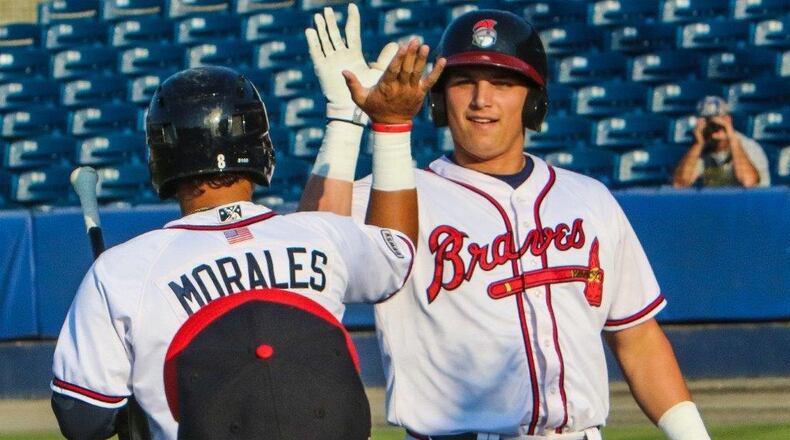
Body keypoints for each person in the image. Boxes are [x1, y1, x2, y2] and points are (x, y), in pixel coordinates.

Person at [301, 6, 711, 440]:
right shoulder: (398, 195)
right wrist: (346, 122)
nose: (482, 100)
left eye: (503, 83)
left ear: (533, 99)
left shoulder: (588, 198)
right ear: (439, 98)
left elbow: (638, 340)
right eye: (463, 83)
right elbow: (307, 258)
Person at [50, 66, 418, 440]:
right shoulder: (321, 235)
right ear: (261, 146)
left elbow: (83, 419)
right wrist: (392, 126)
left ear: (162, 155)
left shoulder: (122, 271)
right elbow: (398, 252)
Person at [673, 95, 770, 188]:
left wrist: (732, 138)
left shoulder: (749, 147)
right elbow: (680, 184)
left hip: (750, 202)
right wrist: (698, 144)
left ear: (728, 120)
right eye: (709, 122)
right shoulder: (701, 150)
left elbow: (748, 182)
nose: (715, 127)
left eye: (717, 120)